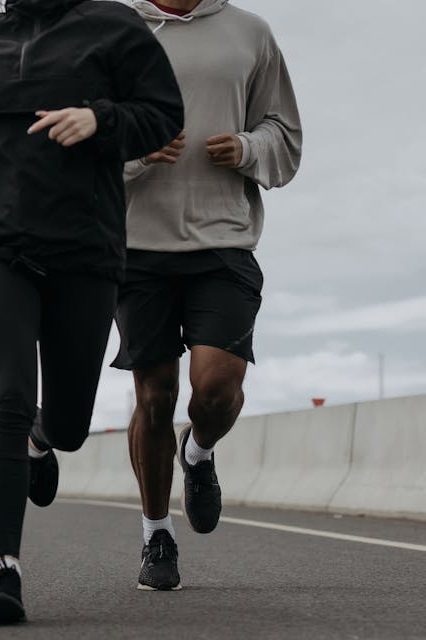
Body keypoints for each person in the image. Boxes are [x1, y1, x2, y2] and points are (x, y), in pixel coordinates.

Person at [0, 0, 183, 624]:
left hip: (82, 248)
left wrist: (99, 119)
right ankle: (5, 572)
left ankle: (43, 441)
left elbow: (162, 117)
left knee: (69, 423)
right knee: (8, 395)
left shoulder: (114, 26)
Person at [112, 0, 302, 591]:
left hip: (223, 244)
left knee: (217, 390)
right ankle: (155, 534)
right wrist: (139, 156)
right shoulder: (116, 30)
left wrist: (247, 148)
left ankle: (198, 452)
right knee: (154, 395)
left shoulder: (251, 33)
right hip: (137, 247)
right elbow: (83, 139)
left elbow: (285, 133)